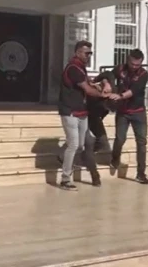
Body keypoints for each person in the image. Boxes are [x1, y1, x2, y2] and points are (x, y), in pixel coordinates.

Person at [57, 41, 119, 190]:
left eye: (90, 53)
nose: (89, 56)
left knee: (80, 144)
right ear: (77, 52)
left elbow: (95, 80)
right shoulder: (73, 68)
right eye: (86, 53)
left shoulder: (81, 68)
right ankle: (65, 179)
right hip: (70, 111)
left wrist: (103, 83)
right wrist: (104, 94)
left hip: (82, 112)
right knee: (74, 144)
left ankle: (62, 156)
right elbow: (88, 90)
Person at [109, 49, 148, 185]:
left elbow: (134, 91)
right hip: (123, 112)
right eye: (132, 64)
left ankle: (141, 174)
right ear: (128, 60)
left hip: (138, 112)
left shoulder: (143, 74)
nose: (134, 67)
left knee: (141, 142)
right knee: (120, 139)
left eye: (137, 65)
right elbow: (108, 76)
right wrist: (106, 84)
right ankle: (115, 158)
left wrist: (120, 96)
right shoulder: (120, 69)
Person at [86, 69, 116, 153]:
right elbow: (108, 73)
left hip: (94, 115)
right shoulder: (109, 87)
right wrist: (106, 83)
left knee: (102, 140)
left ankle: (94, 148)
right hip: (84, 111)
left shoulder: (105, 108)